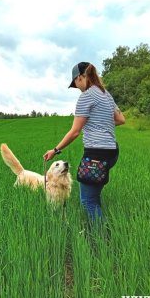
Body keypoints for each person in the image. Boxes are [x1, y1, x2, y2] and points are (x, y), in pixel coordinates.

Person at [43, 62, 125, 223]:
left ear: (80, 77)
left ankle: (102, 239)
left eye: (76, 84)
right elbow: (121, 119)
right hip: (112, 152)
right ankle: (100, 229)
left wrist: (55, 150)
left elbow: (74, 132)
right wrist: (99, 124)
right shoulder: (106, 94)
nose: (77, 88)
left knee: (88, 201)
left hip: (97, 154)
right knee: (94, 195)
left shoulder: (86, 97)